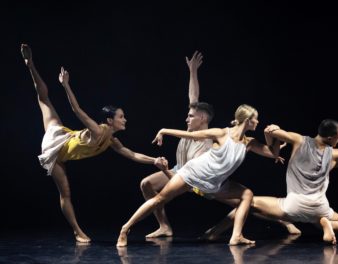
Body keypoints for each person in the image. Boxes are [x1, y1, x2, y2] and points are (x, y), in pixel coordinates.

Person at [21, 44, 158, 243]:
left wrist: (154, 160)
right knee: (65, 192)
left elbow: (132, 154)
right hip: (54, 148)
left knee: (44, 100)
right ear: (110, 121)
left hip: (65, 135)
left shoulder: (111, 139)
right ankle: (30, 64)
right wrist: (66, 85)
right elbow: (77, 110)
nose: (125, 119)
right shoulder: (97, 129)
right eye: (121, 116)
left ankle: (30, 64)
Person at [116, 104, 281, 246]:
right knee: (160, 199)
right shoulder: (222, 133)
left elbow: (273, 153)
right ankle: (125, 228)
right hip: (193, 174)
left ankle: (236, 236)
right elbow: (191, 135)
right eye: (256, 119)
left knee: (247, 194)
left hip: (214, 184)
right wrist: (164, 130)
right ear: (247, 119)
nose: (258, 122)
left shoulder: (249, 143)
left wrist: (271, 136)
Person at [201, 119, 338, 244]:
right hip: (320, 208)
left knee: (248, 203)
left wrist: (274, 129)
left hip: (291, 206)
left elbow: (268, 131)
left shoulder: (299, 140)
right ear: (330, 138)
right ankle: (325, 223)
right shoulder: (334, 154)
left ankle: (214, 233)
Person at [139, 51, 214, 238]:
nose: (186, 118)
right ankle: (164, 227)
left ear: (202, 118)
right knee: (146, 184)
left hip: (198, 182)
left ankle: (283, 220)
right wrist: (193, 71)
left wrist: (165, 170)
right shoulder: (191, 127)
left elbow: (188, 182)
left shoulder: (207, 143)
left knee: (243, 201)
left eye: (190, 116)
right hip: (179, 169)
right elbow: (193, 97)